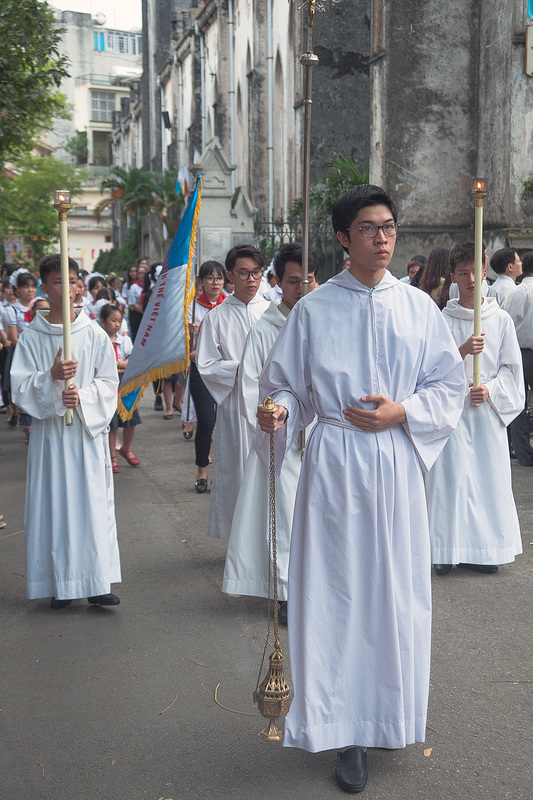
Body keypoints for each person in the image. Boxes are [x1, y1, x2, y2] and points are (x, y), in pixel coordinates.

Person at [255, 185, 465, 793]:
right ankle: (342, 731)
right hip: (336, 467)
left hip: (396, 466)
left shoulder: (418, 308)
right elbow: (287, 387)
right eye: (369, 227)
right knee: (338, 597)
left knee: (394, 596)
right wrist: (278, 412)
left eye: (389, 226)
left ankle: (389, 716)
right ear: (344, 238)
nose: (382, 236)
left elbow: (446, 386)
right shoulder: (314, 311)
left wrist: (403, 412)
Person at [10, 255, 121, 609]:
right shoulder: (31, 338)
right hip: (50, 437)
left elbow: (109, 383)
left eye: (73, 281)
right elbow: (20, 387)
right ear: (45, 287)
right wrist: (52, 380)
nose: (68, 288)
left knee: (91, 505)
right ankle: (59, 582)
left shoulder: (94, 335)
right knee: (54, 504)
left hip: (86, 436)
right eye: (59, 281)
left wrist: (82, 396)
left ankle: (96, 580)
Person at [222, 244, 318, 621]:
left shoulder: (324, 321)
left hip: (322, 436)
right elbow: (250, 386)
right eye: (292, 281)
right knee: (287, 516)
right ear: (278, 283)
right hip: (283, 439)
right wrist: (270, 417)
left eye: (307, 280)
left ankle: (318, 586)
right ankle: (285, 592)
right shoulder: (266, 329)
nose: (301, 288)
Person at [426, 242, 523, 575]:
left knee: (484, 480)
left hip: (486, 414)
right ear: (453, 276)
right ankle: (444, 548)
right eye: (463, 273)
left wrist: (490, 389)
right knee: (451, 481)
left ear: (485, 272)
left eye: (475, 272)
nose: (470, 279)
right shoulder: (442, 319)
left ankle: (482, 550)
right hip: (452, 415)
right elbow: (428, 370)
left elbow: (512, 372)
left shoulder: (500, 320)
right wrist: (462, 350)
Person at [196, 244, 269, 539]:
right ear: (230, 276)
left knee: (269, 470)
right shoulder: (215, 317)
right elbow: (206, 364)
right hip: (236, 406)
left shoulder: (272, 312)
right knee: (238, 470)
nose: (251, 279)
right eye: (243, 273)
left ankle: (269, 532)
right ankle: (240, 538)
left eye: (256, 273)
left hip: (271, 403)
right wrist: (240, 370)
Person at [187, 260, 227, 492]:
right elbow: (179, 352)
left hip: (224, 372)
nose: (215, 283)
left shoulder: (229, 306)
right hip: (201, 373)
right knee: (207, 422)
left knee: (227, 423)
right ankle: (202, 470)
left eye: (219, 278)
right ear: (201, 282)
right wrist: (188, 336)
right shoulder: (192, 308)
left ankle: (223, 472)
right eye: (210, 278)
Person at [100, 303, 141, 473]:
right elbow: (102, 366)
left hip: (125, 383)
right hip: (108, 384)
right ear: (103, 321)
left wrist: (116, 364)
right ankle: (112, 455)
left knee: (131, 420)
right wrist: (119, 365)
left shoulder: (124, 341)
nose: (117, 324)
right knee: (113, 423)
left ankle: (126, 447)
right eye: (113, 320)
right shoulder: (100, 341)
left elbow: (130, 363)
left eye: (119, 320)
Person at [501, 250, 533, 466]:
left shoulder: (513, 293)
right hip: (523, 351)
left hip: (517, 352)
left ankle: (524, 453)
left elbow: (503, 323)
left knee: (518, 402)